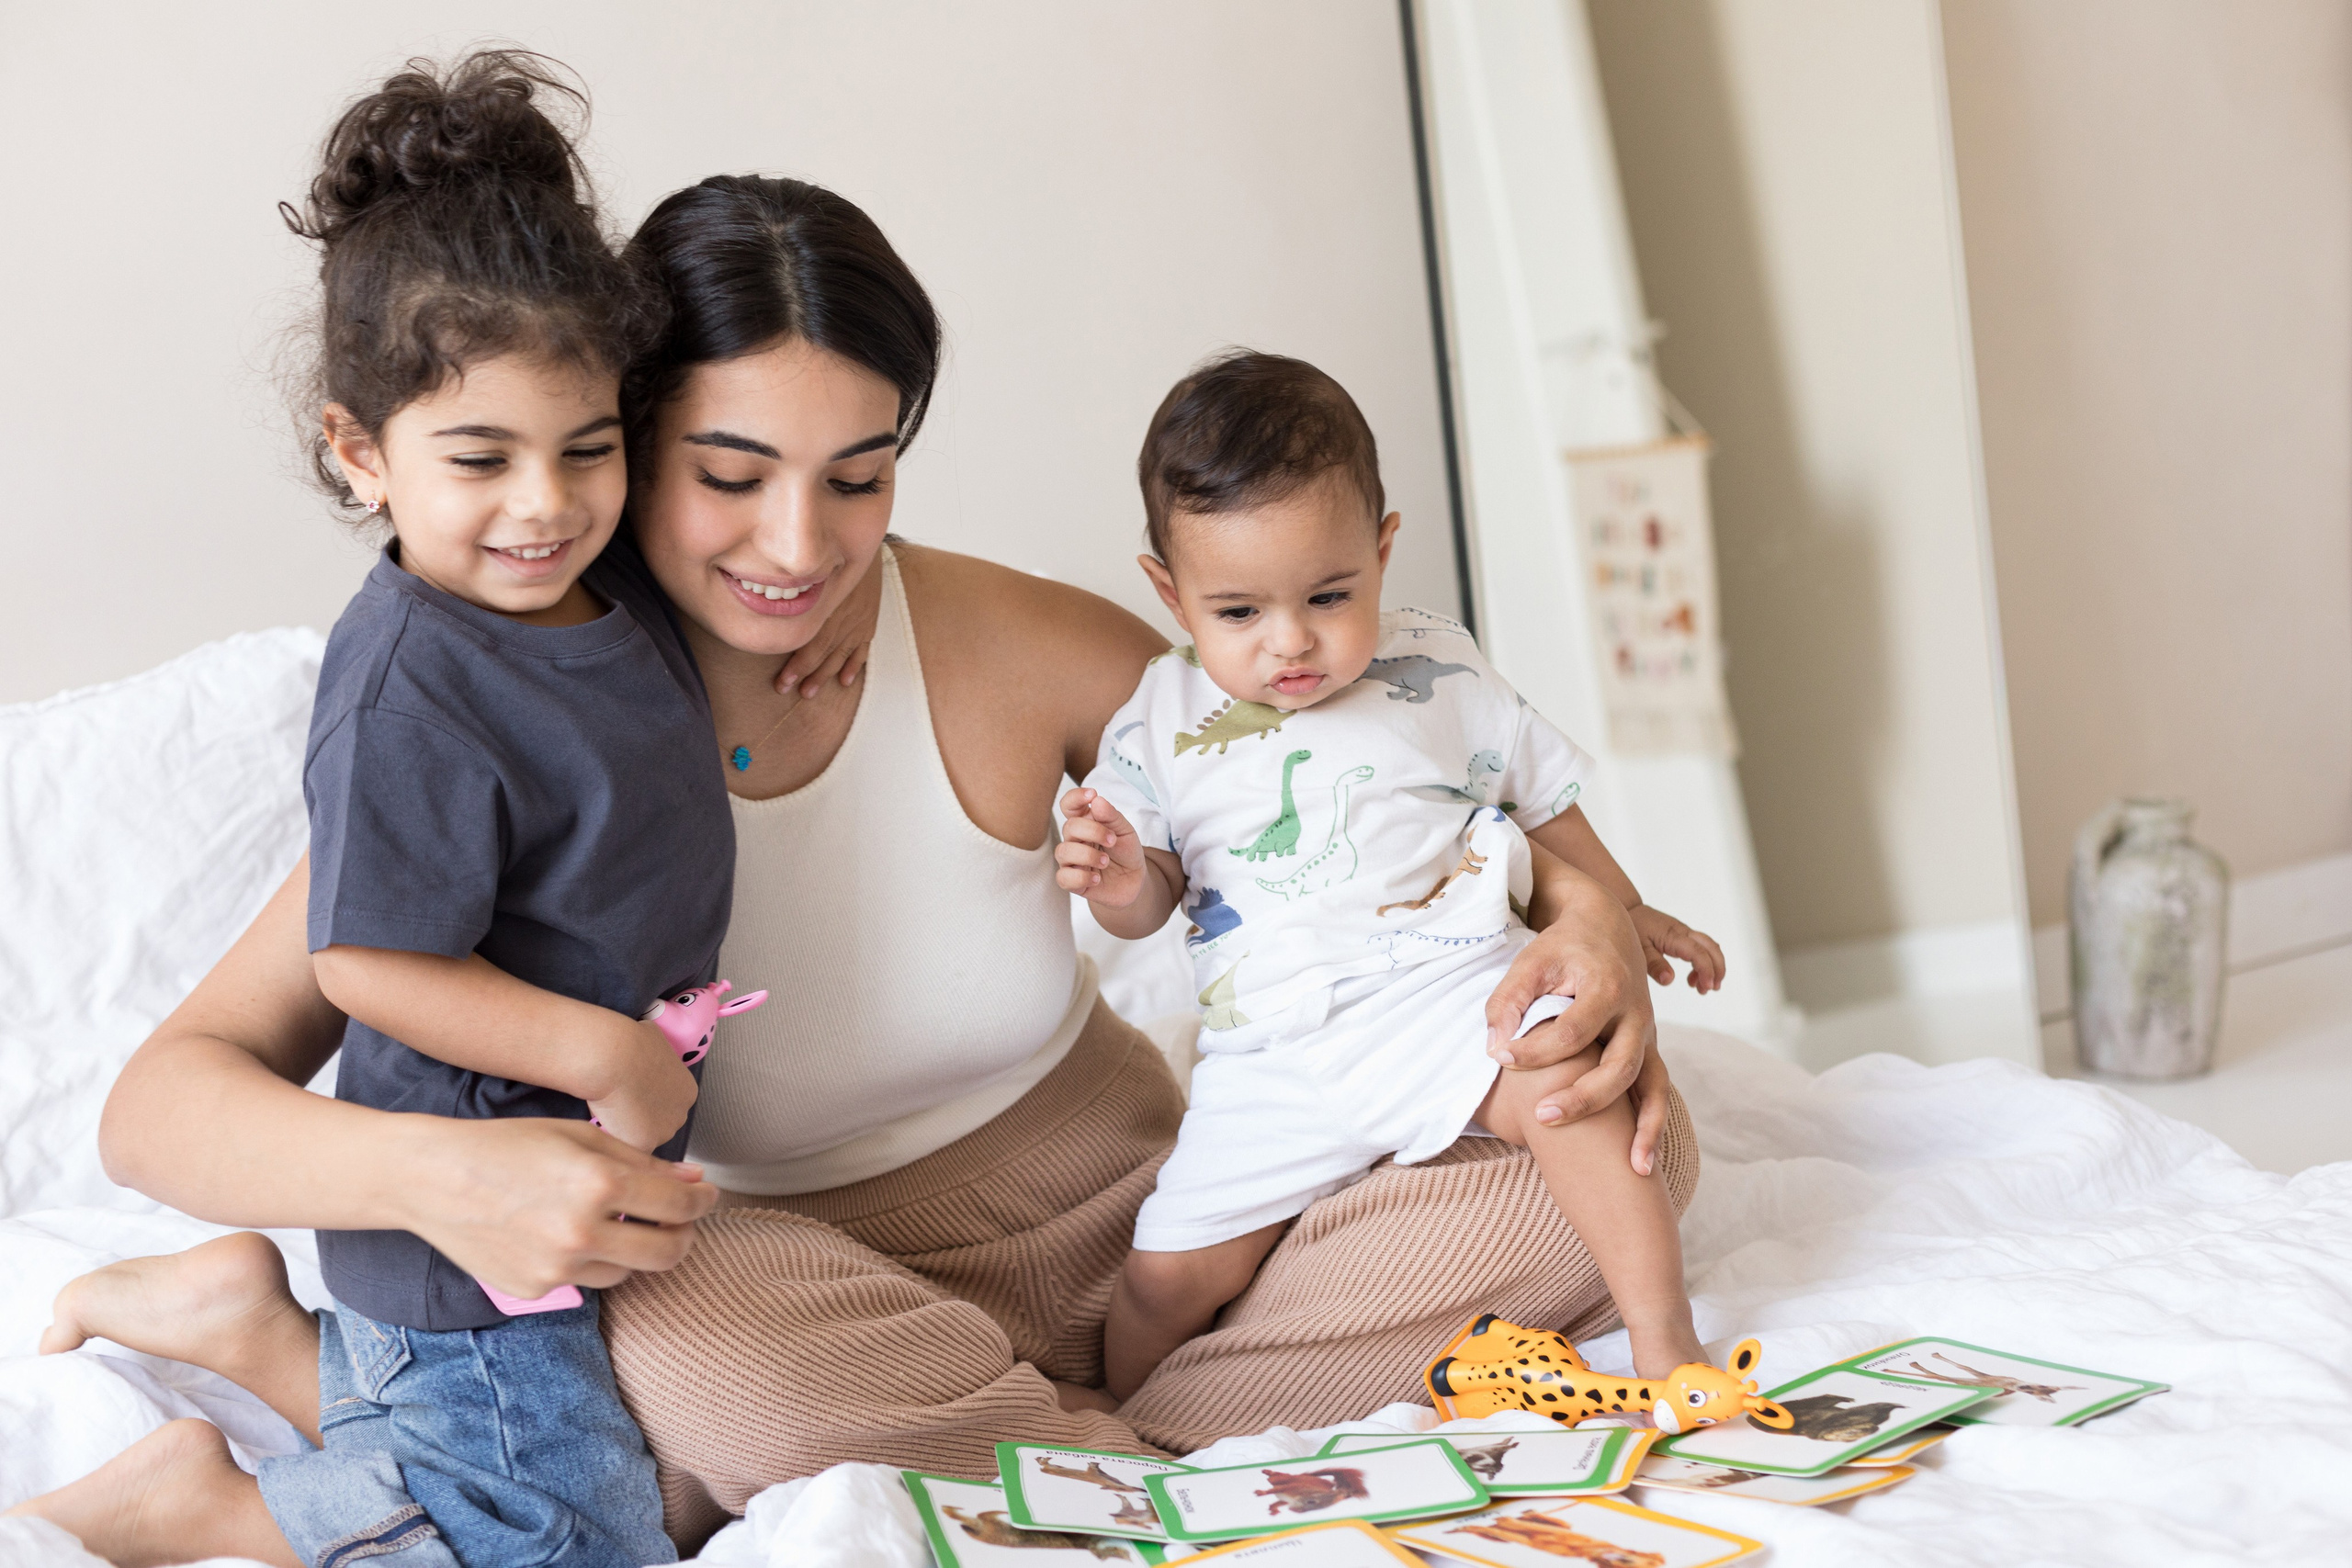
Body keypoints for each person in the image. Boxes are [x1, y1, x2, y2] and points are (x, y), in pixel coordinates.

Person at [17, 165, 1698, 1558]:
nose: (798, 548)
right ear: (622, 441)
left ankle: (1081, 1464)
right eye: (729, 478)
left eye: (859, 478)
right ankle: (1123, 1470)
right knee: (686, 1348)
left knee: (1617, 1149)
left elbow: (1380, 769)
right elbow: (161, 1101)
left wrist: (1596, 916)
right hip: (781, 1281)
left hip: (1137, 1226)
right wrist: (436, 1179)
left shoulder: (1014, 644)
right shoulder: (535, 723)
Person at [11, 51, 716, 1567]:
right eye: (481, 460)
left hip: (583, 1197)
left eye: (586, 449)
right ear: (359, 451)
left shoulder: (603, 595)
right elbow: (364, 961)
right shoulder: (407, 679)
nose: (544, 503)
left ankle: (240, 1324)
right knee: (571, 1543)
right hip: (456, 1249)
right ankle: (220, 1506)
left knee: (629, 1470)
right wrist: (600, 1049)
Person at [1062, 352, 1724, 1399]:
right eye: (1237, 613)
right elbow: (1152, 899)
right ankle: (1130, 1426)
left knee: (1566, 1087)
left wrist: (1627, 915)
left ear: (1382, 548)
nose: (1291, 643)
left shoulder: (1438, 666)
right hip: (1271, 1056)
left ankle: (1665, 1342)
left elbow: (1539, 797)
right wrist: (1114, 881)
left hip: (1450, 993)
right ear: (1169, 591)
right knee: (1161, 1278)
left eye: (1330, 595)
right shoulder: (1157, 716)